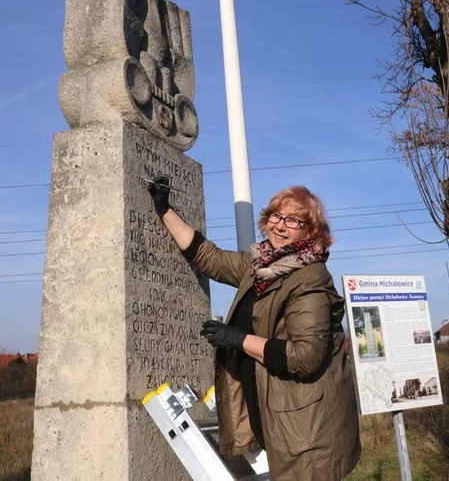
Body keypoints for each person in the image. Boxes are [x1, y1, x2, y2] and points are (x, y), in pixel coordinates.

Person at [148, 177, 361, 480]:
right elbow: (210, 258)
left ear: (311, 231)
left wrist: (238, 338)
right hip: (279, 417)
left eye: (293, 220)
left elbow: (306, 356)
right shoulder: (262, 266)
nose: (280, 225)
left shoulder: (310, 278)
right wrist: (164, 209)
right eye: (276, 215)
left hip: (306, 432)